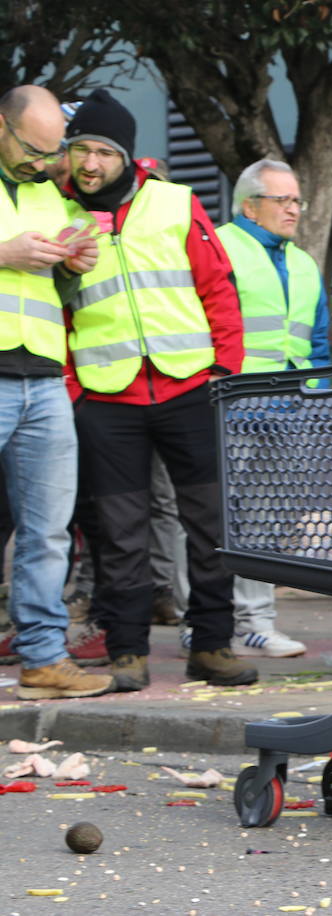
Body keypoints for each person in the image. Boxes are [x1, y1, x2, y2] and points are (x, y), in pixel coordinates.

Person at [61, 89, 256, 691]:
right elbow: (54, 313)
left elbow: (217, 286)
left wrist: (224, 370)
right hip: (106, 398)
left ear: (127, 155)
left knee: (210, 525)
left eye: (103, 152)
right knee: (120, 533)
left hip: (189, 387)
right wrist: (74, 390)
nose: (90, 164)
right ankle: (127, 651)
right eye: (80, 151)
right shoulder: (57, 214)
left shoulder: (175, 202)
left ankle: (213, 645)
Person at [0, 85, 111, 700]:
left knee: (47, 530)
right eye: (31, 149)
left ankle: (42, 658)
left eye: (50, 153)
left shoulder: (48, 194)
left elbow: (54, 292)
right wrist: (5, 253)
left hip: (41, 376)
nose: (40, 164)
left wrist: (72, 266)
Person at [215, 159, 329, 659]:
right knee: (212, 521)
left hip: (286, 408)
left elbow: (317, 337)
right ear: (249, 206)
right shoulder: (219, 246)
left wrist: (317, 393)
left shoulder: (302, 261)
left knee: (264, 521)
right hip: (231, 403)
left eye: (296, 201)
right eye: (282, 200)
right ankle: (205, 621)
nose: (294, 210)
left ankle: (256, 623)